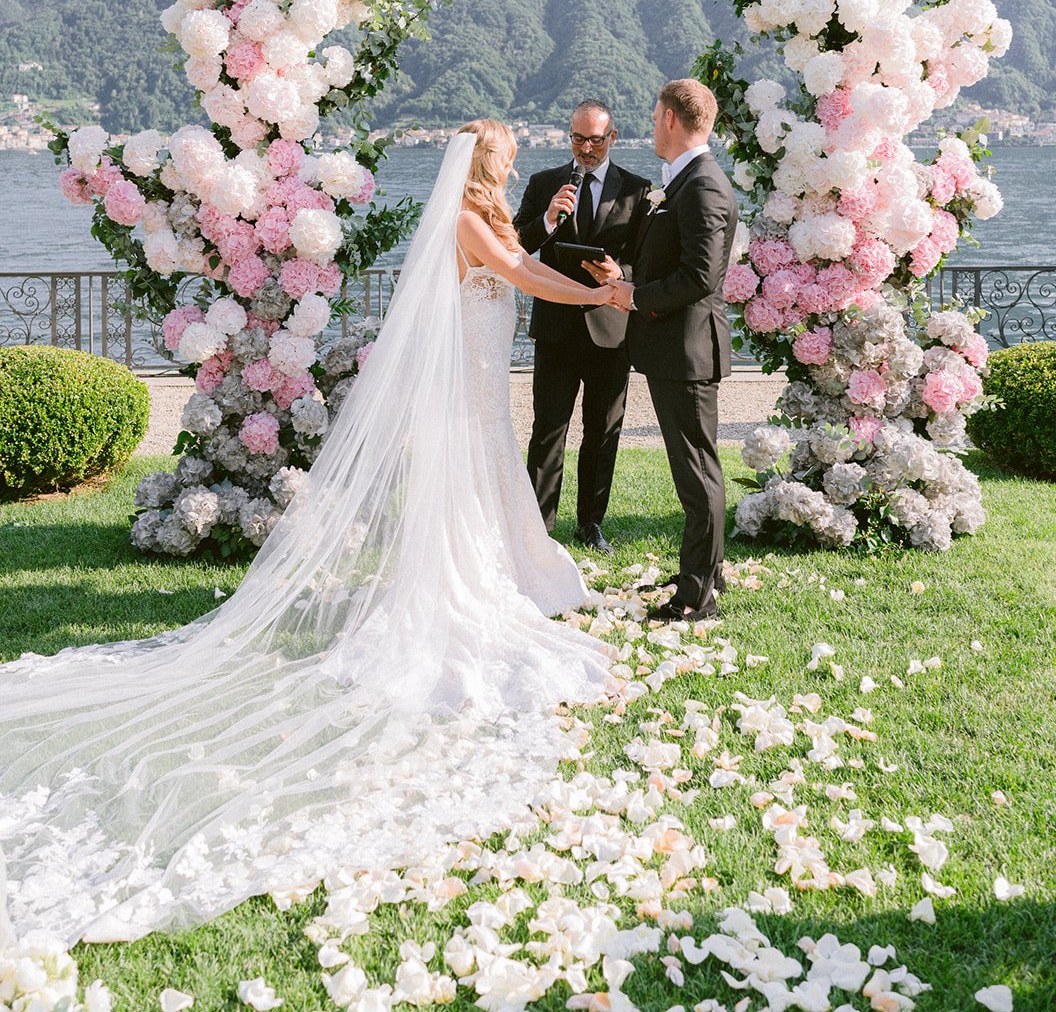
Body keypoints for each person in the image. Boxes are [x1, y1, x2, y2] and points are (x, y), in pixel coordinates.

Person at [0, 123, 616, 947]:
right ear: (481, 164)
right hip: (468, 385)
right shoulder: (469, 224)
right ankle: (479, 582)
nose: (510, 163)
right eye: (502, 155)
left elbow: (524, 259)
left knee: (492, 478)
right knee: (479, 477)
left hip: (480, 381)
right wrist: (603, 295)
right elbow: (516, 274)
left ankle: (512, 573)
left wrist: (568, 268)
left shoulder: (491, 215)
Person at [590, 79, 737, 623]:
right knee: (698, 469)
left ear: (672, 120)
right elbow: (671, 265)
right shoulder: (686, 183)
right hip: (676, 348)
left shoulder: (702, 186)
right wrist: (624, 276)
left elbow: (701, 277)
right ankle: (708, 572)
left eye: (655, 118)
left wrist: (633, 297)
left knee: (697, 475)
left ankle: (699, 597)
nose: (652, 126)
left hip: (687, 352)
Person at [513, 102, 649, 554]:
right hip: (555, 327)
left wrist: (619, 271)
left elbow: (646, 262)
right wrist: (549, 219)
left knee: (602, 432)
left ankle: (591, 523)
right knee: (549, 428)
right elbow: (514, 245)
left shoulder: (638, 190)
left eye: (594, 139)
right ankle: (538, 525)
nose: (585, 148)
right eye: (577, 138)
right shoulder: (544, 184)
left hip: (610, 328)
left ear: (613, 137)